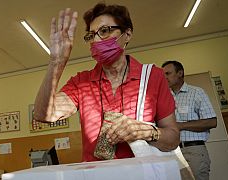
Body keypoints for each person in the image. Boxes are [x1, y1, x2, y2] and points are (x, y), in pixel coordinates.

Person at [34, 2, 179, 162]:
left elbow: (172, 139)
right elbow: (43, 114)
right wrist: (57, 61)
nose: (96, 40)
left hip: (141, 172)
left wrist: (146, 132)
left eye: (104, 31)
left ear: (127, 34)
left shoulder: (152, 76)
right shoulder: (81, 82)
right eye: (91, 35)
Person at [162, 60, 217, 180]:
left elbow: (212, 121)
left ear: (180, 73)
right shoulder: (164, 96)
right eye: (163, 75)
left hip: (193, 151)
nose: (165, 77)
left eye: (168, 73)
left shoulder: (197, 92)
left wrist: (180, 126)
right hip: (170, 152)